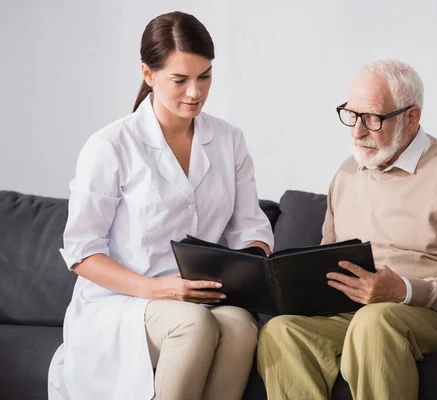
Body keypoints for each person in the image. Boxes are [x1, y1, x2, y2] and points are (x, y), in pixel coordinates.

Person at [48, 11, 273, 400]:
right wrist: (158, 289)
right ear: (149, 75)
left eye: (204, 76)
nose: (195, 92)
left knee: (239, 325)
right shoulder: (110, 146)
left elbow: (250, 228)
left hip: (203, 296)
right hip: (124, 303)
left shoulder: (229, 141)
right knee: (193, 326)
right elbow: (83, 252)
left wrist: (245, 269)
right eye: (180, 80)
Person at [256, 59, 437, 400]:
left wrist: (402, 290)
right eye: (351, 115)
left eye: (372, 118)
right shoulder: (346, 174)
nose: (357, 131)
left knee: (376, 321)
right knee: (281, 332)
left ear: (411, 117)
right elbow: (327, 264)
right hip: (363, 317)